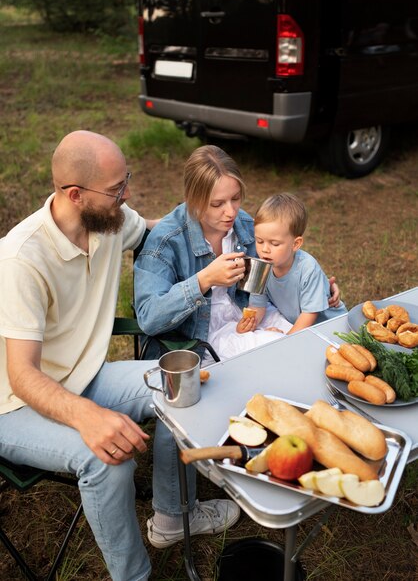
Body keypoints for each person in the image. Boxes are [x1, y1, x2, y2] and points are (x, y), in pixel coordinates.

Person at [0, 131, 239, 581]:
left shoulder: (108, 219)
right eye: (116, 189)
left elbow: (159, 230)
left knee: (184, 383)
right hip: (12, 405)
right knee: (107, 461)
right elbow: (20, 376)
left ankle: (172, 516)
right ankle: (133, 576)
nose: (126, 195)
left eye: (125, 180)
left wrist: (288, 270)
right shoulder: (20, 259)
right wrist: (87, 416)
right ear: (75, 195)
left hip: (83, 375)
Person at [135, 145, 340, 363]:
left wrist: (315, 284)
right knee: (287, 357)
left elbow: (281, 255)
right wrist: (204, 280)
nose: (231, 211)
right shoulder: (165, 241)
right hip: (202, 335)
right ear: (193, 200)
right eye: (217, 204)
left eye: (236, 198)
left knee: (313, 345)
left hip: (251, 314)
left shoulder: (243, 225)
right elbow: (149, 318)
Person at [238, 193, 347, 336]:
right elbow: (257, 305)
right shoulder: (260, 266)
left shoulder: (308, 268)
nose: (265, 249)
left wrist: (287, 339)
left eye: (274, 243)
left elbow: (310, 315)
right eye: (259, 241)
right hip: (298, 327)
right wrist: (249, 323)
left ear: (295, 244)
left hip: (331, 328)